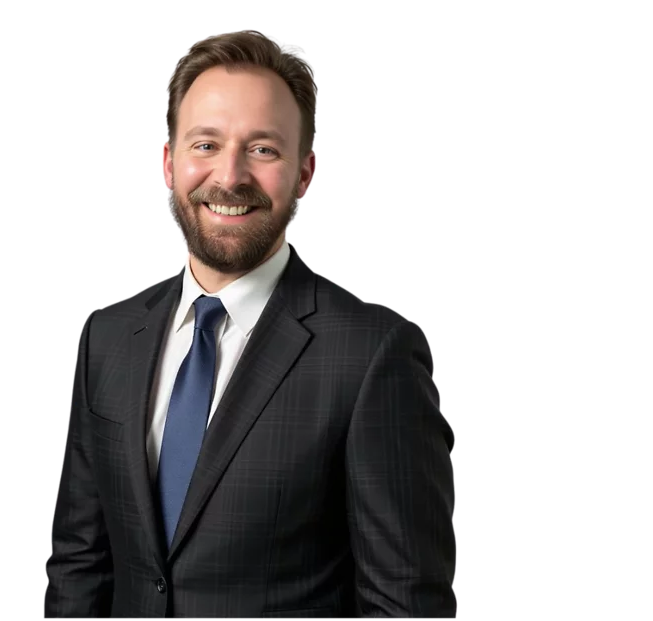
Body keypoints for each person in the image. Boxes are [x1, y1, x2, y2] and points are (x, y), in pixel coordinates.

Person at [44, 30, 456, 620]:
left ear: (304, 173)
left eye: (262, 149)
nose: (229, 175)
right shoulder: (108, 336)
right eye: (205, 144)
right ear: (168, 162)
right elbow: (78, 569)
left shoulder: (374, 355)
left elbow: (407, 606)